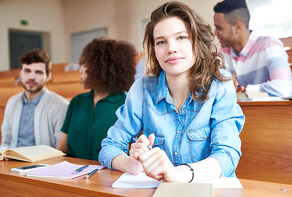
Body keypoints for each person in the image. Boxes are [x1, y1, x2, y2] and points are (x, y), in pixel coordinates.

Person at [99, 1, 245, 183]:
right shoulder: (142, 89)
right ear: (154, 51)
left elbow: (227, 155)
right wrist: (132, 164)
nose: (171, 49)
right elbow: (109, 147)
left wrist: (179, 174)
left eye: (181, 37)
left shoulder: (218, 83)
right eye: (161, 42)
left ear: (197, 41)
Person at [57, 37, 136, 160]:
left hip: (107, 175)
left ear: (101, 68)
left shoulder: (126, 105)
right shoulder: (76, 102)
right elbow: (62, 149)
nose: (80, 71)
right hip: (71, 173)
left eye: (85, 65)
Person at [213, 0, 292, 97]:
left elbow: (282, 89)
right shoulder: (221, 53)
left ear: (237, 27)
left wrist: (245, 91)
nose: (215, 33)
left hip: (280, 111)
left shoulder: (270, 46)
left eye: (219, 28)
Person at [1, 49, 69, 148]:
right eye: (27, 71)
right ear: (20, 72)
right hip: (11, 161)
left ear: (48, 76)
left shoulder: (61, 106)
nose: (31, 77)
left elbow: (60, 150)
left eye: (38, 72)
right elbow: (5, 143)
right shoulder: (12, 102)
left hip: (44, 162)